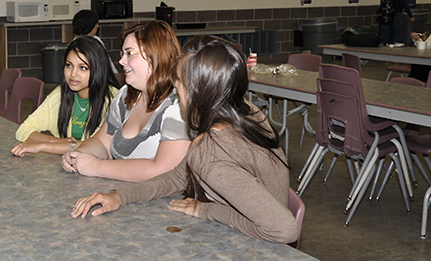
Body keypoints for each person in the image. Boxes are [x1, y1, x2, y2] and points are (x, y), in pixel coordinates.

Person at [70, 35, 298, 244]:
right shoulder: (244, 111)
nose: (175, 89)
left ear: (197, 91)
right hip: (255, 229)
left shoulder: (211, 154)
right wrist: (121, 196)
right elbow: (180, 176)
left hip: (258, 246)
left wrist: (206, 210)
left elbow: (285, 230)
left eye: (178, 83)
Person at [61, 21, 191, 183]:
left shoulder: (178, 106)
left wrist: (96, 166)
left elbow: (164, 170)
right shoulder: (125, 96)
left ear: (155, 55)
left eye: (129, 53)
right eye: (122, 54)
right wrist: (79, 154)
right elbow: (102, 142)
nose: (121, 61)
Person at [12, 36, 119, 157]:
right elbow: (23, 130)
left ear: (98, 69)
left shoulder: (114, 100)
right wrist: (57, 141)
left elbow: (96, 146)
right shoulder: (60, 94)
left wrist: (41, 145)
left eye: (83, 68)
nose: (73, 74)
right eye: (69, 65)